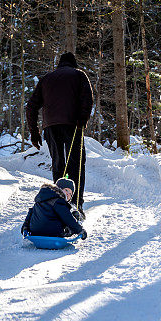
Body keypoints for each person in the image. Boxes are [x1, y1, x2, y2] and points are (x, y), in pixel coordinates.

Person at [26, 51, 93, 212]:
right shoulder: (79, 75)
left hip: (51, 126)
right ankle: (76, 204)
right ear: (73, 64)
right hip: (73, 125)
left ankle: (58, 204)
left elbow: (31, 106)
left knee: (58, 164)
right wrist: (82, 121)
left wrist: (34, 133)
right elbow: (88, 99)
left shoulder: (46, 79)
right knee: (75, 164)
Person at [21, 177, 87, 239]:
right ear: (58, 189)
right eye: (66, 190)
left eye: (70, 194)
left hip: (35, 232)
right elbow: (68, 218)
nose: (68, 194)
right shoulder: (58, 201)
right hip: (53, 233)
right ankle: (72, 228)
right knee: (74, 215)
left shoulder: (40, 199)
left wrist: (25, 226)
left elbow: (31, 213)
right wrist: (80, 230)